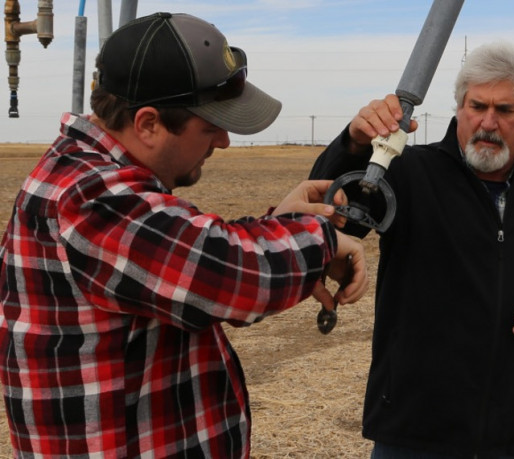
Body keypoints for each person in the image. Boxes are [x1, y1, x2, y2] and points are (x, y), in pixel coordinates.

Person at [0, 12, 367, 458]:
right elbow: (231, 275)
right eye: (210, 126)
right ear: (149, 124)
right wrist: (322, 238)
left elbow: (181, 249)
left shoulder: (91, 176)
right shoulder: (93, 197)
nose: (225, 142)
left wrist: (282, 222)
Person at [309, 41, 514, 457]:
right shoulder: (407, 173)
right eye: (477, 106)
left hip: (510, 437)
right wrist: (354, 144)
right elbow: (332, 212)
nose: (488, 122)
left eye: (504, 110)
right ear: (459, 108)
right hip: (412, 435)